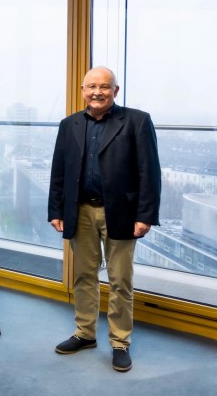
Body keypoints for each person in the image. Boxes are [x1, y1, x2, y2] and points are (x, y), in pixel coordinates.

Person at [47, 66, 161, 372]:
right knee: (83, 276)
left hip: (121, 213)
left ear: (116, 91)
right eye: (92, 86)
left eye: (105, 86)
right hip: (80, 211)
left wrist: (145, 215)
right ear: (83, 90)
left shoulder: (137, 121)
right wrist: (55, 210)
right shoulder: (68, 124)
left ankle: (120, 341)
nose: (98, 92)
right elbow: (59, 171)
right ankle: (85, 333)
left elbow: (149, 172)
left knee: (120, 280)